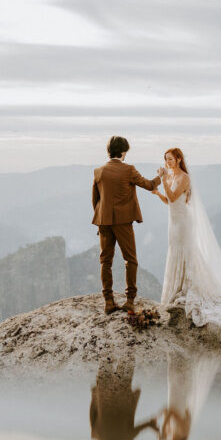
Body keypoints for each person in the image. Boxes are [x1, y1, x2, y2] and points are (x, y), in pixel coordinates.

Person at [150, 148, 221, 337]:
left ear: (178, 159)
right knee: (175, 251)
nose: (167, 162)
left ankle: (187, 286)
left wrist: (162, 179)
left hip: (183, 223)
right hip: (174, 222)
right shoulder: (171, 176)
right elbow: (169, 202)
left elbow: (173, 196)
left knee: (186, 252)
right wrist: (157, 193)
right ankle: (176, 288)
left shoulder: (184, 177)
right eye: (166, 159)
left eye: (170, 159)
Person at [92, 135, 162, 315]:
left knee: (105, 261)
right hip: (123, 222)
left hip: (104, 221)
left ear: (109, 151)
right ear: (123, 152)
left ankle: (108, 301)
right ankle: (130, 300)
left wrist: (100, 220)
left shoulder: (98, 171)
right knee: (130, 260)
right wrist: (160, 177)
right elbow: (149, 185)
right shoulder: (129, 170)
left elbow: (96, 200)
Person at [89, 353, 157, 440]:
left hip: (123, 391)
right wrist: (95, 393)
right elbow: (92, 411)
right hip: (104, 392)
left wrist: (156, 428)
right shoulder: (95, 435)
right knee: (106, 357)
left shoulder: (128, 438)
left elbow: (148, 424)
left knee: (128, 355)